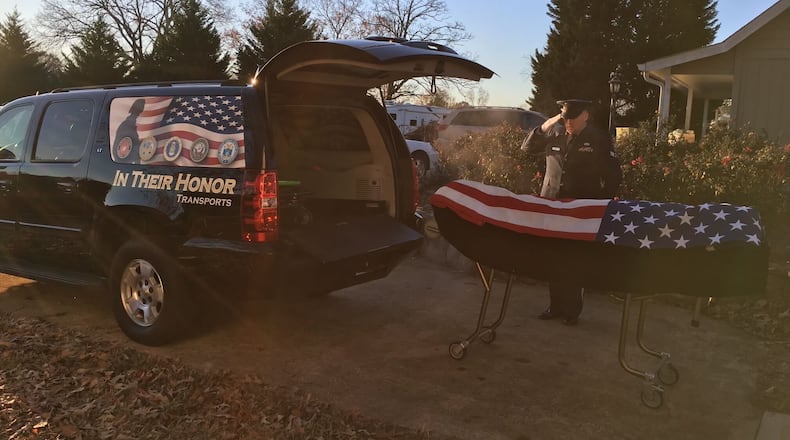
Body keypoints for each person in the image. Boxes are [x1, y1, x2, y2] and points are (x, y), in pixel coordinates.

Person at [521, 99, 622, 325]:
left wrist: (600, 205)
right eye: (565, 117)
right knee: (554, 258)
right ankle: (554, 306)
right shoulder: (555, 136)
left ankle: (571, 311)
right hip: (554, 206)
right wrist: (547, 125)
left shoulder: (598, 139)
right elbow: (527, 148)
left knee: (574, 260)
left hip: (581, 208)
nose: (568, 122)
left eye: (573, 117)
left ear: (585, 115)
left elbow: (614, 175)